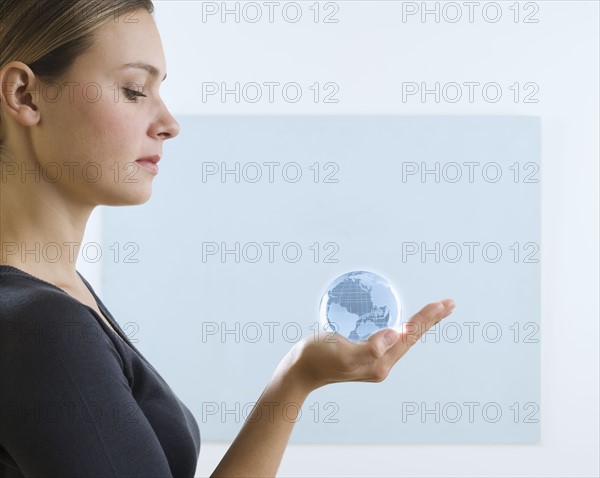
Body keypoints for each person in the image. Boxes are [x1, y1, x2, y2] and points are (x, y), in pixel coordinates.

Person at [0, 1, 456, 476]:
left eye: (160, 91)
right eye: (134, 90)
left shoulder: (57, 296)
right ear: (26, 95)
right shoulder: (41, 326)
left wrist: (296, 379)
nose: (169, 124)